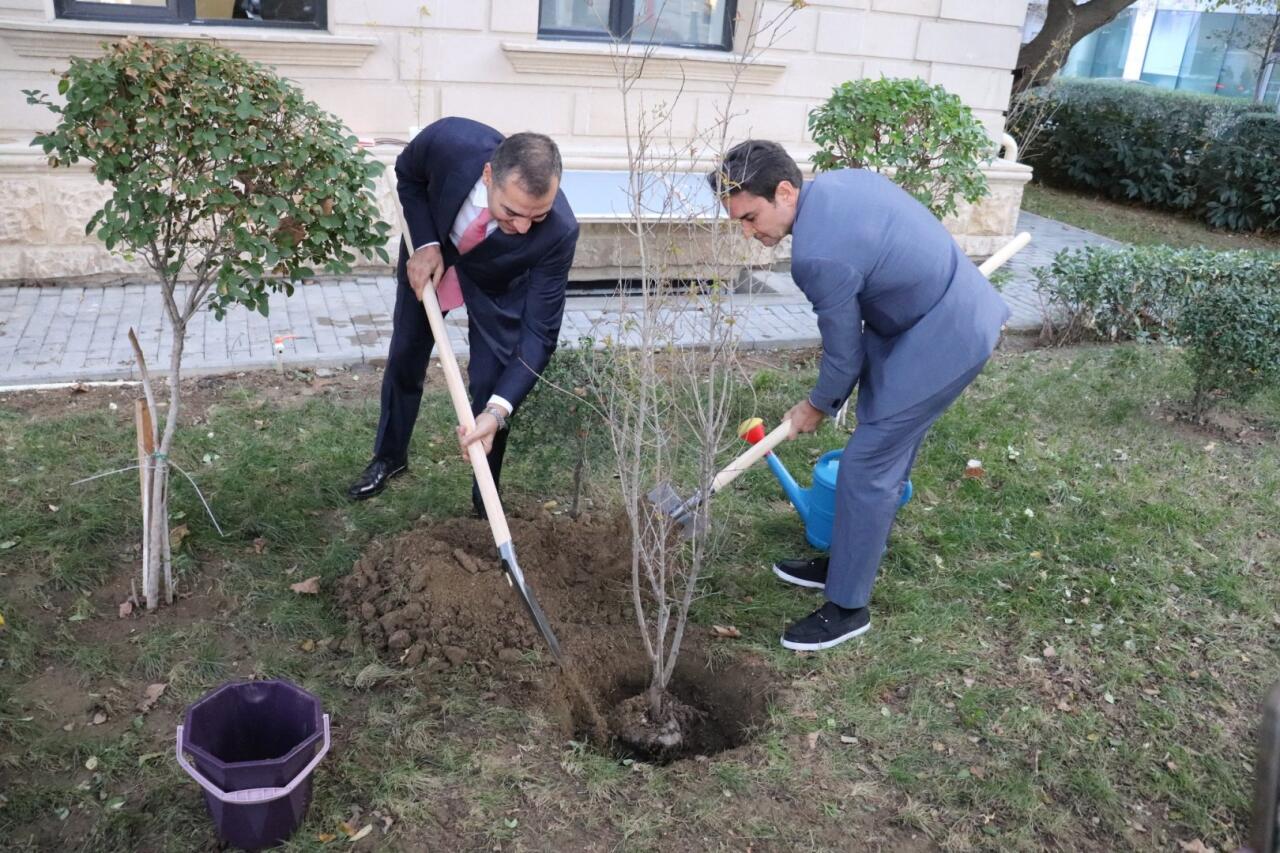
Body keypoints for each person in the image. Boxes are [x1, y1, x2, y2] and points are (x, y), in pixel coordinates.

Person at [708, 140, 1009, 651]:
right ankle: (846, 562)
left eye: (751, 217)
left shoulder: (816, 256)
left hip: (944, 336)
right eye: (738, 221)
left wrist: (816, 405)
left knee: (867, 467)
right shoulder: (834, 186)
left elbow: (843, 356)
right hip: (924, 316)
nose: (748, 232)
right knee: (874, 458)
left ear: (784, 191)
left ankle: (848, 608)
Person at [348, 118, 579, 513]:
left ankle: (484, 495)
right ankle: (389, 457)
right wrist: (425, 242)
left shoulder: (559, 231)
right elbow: (408, 173)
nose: (524, 227)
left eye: (535, 216)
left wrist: (497, 410)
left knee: (494, 381)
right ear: (488, 175)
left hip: (499, 279)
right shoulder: (449, 141)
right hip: (431, 254)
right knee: (406, 353)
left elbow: (539, 334)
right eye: (511, 211)